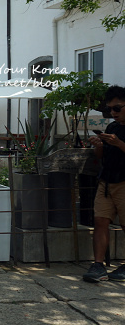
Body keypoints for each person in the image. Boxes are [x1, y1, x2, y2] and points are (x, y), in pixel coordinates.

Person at [83, 85, 125, 282]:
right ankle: (98, 265)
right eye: (110, 109)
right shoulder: (112, 127)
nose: (112, 113)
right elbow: (102, 156)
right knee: (100, 221)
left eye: (117, 108)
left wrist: (119, 143)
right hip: (107, 181)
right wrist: (98, 145)